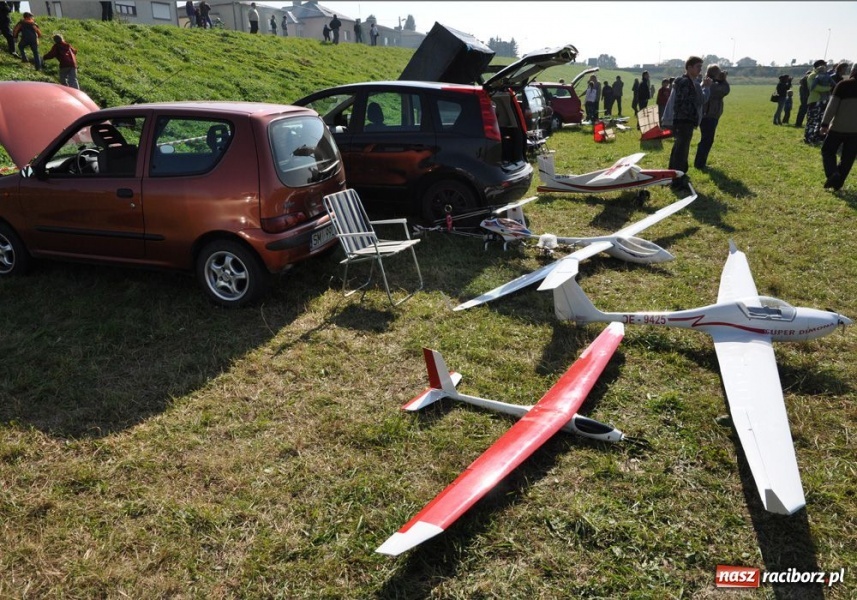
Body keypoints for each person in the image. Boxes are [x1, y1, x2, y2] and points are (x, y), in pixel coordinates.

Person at [668, 56, 708, 189]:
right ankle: (677, 181)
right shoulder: (686, 82)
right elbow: (689, 102)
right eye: (698, 67)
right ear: (689, 68)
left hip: (683, 121)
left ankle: (675, 175)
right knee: (681, 151)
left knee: (679, 149)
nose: (700, 70)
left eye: (701, 67)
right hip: (684, 121)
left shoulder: (689, 82)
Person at [820, 63, 857, 191]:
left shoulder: (843, 85)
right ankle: (838, 182)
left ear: (853, 71)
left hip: (838, 128)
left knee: (828, 151)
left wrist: (825, 124)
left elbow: (832, 106)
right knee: (848, 157)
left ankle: (833, 173)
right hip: (855, 132)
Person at [694, 65, 730, 170]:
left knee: (706, 139)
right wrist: (724, 80)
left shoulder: (709, 83)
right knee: (707, 140)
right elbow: (725, 90)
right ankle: (700, 163)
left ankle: (700, 162)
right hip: (709, 116)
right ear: (715, 74)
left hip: (709, 115)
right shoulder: (711, 85)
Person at [805, 60, 833, 144]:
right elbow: (814, 87)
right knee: (812, 121)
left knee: (820, 121)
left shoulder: (826, 75)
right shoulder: (812, 75)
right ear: (819, 66)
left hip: (824, 101)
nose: (826, 66)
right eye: (824, 65)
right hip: (815, 101)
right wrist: (828, 88)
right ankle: (808, 139)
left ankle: (816, 138)